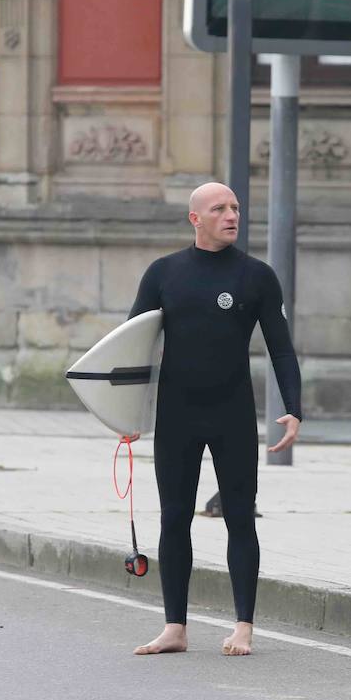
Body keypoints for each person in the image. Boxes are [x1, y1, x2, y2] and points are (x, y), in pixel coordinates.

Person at [128, 181, 302, 657]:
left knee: (241, 519)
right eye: (219, 209)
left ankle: (243, 626)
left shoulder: (257, 277)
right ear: (195, 219)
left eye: (235, 208)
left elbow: (280, 347)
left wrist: (293, 408)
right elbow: (132, 347)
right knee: (174, 518)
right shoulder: (164, 274)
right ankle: (175, 627)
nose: (231, 215)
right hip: (177, 415)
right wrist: (123, 414)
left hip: (232, 414)